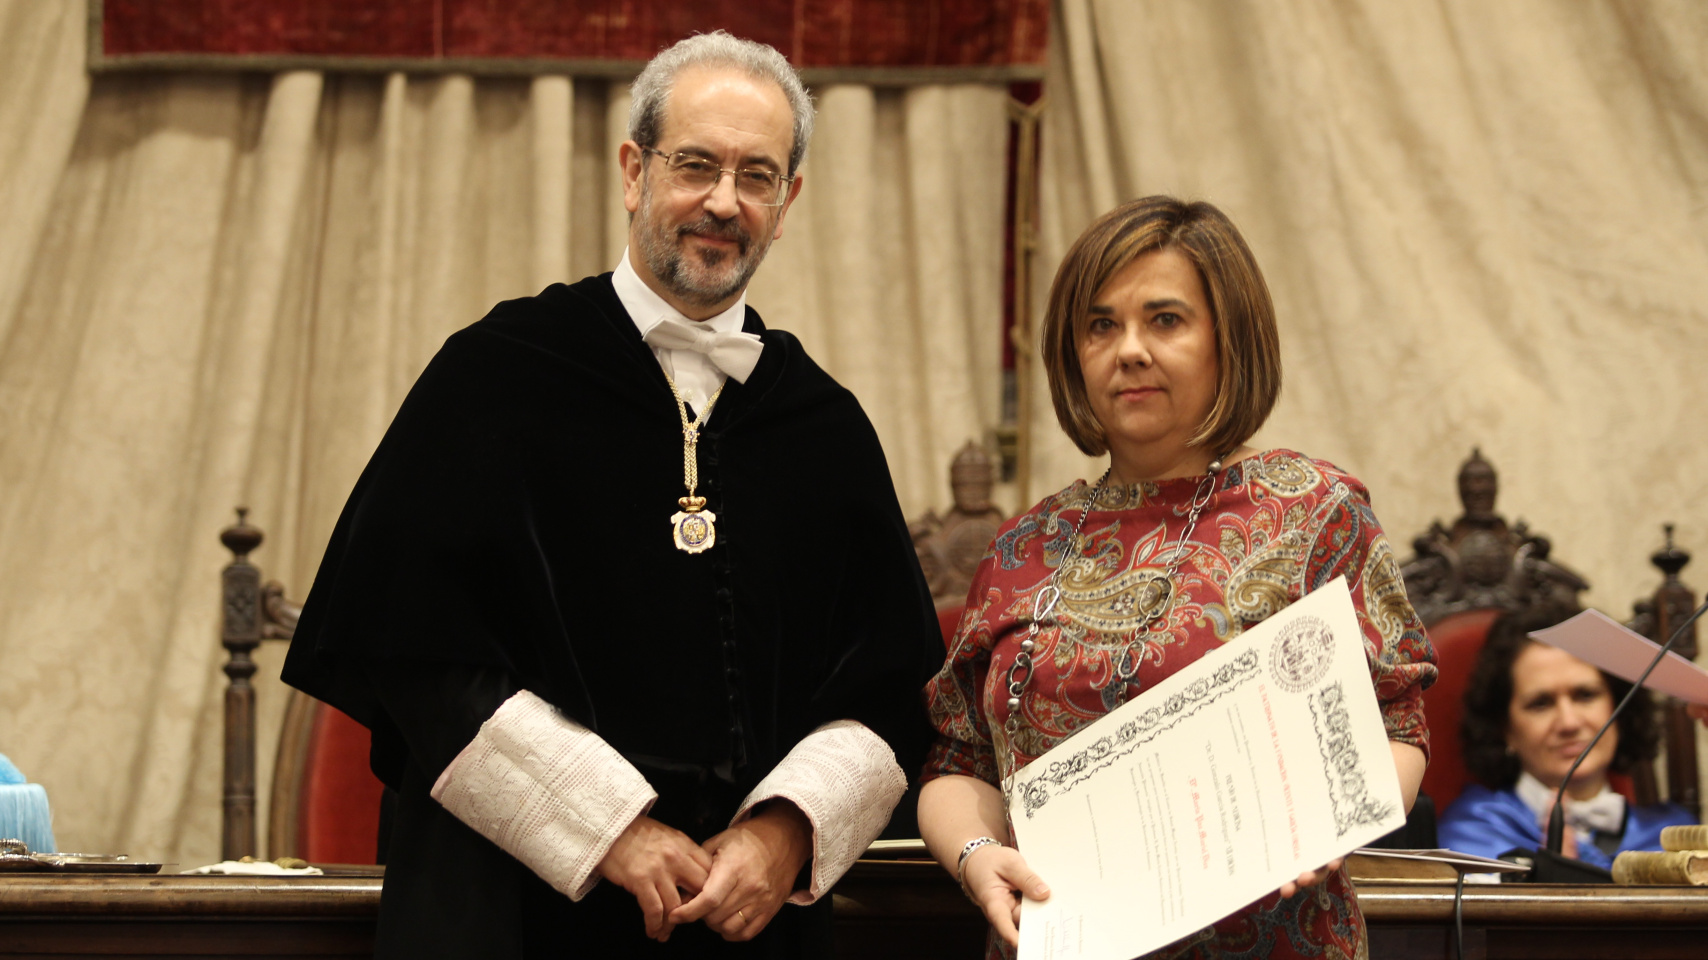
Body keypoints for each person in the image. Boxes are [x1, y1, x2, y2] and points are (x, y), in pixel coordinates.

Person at [282, 31, 943, 959]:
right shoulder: (495, 375)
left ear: (787, 202)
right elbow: (408, 655)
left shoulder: (824, 425)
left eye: (757, 175)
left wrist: (784, 831)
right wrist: (611, 829)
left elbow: (890, 689)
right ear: (634, 171)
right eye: (696, 165)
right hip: (505, 916)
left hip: (743, 925)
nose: (723, 201)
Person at [916, 196, 1436, 958]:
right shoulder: (1024, 545)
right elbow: (959, 760)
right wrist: (972, 857)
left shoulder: (1313, 512)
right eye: (1101, 325)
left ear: (1229, 340)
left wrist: (1338, 812)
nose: (1129, 350)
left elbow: (1399, 725)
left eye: (1165, 320)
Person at [1438, 609, 1693, 868]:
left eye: (1585, 695)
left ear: (1619, 709)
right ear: (1505, 728)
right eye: (1541, 704)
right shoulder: (1473, 834)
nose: (1568, 723)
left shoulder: (1672, 837)